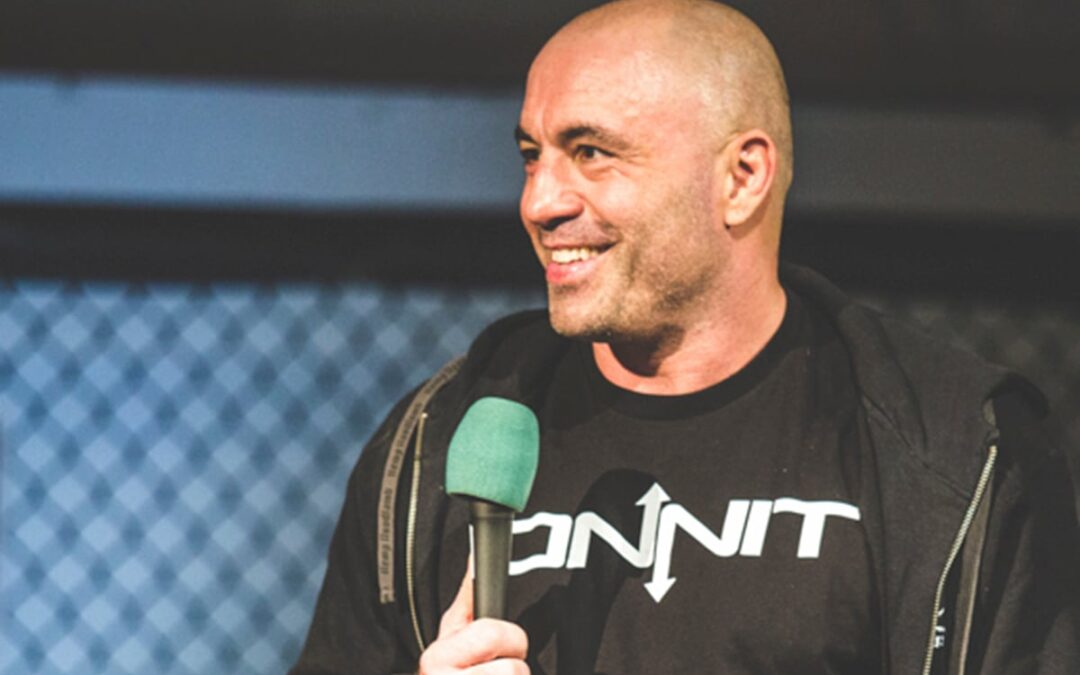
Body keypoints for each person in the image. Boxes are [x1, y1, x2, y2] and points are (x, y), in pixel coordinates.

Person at [290, 1, 1080, 673]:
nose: (539, 201)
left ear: (742, 178)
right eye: (532, 156)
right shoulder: (436, 441)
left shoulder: (948, 452)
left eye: (591, 152)